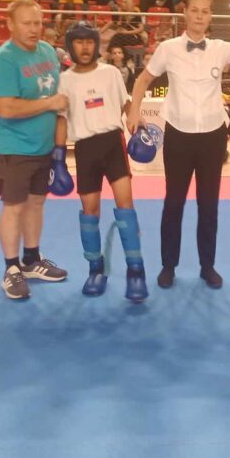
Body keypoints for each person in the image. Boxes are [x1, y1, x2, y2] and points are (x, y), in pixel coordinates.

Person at [126, 0, 230, 290]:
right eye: (194, 10)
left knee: (208, 204)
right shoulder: (167, 48)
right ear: (185, 13)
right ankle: (168, 266)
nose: (200, 16)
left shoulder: (221, 48)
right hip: (178, 135)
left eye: (205, 11)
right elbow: (143, 80)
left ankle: (207, 266)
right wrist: (134, 111)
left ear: (210, 16)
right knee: (173, 203)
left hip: (213, 137)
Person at [53, 22, 147, 301]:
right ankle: (96, 269)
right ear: (71, 46)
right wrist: (58, 158)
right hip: (85, 149)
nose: (84, 47)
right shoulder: (65, 80)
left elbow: (126, 104)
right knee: (89, 212)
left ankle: (136, 271)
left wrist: (140, 127)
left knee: (126, 206)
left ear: (96, 44)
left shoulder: (110, 73)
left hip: (113, 144)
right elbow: (61, 119)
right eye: (78, 42)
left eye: (89, 41)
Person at [0, 0, 68, 300]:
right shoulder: (3, 60)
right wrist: (49, 104)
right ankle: (11, 268)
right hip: (13, 147)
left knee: (36, 202)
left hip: (42, 146)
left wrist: (59, 147)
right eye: (26, 23)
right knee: (14, 206)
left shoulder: (47, 51)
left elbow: (59, 95)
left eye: (38, 23)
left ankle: (32, 260)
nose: (34, 29)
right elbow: (6, 108)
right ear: (10, 24)